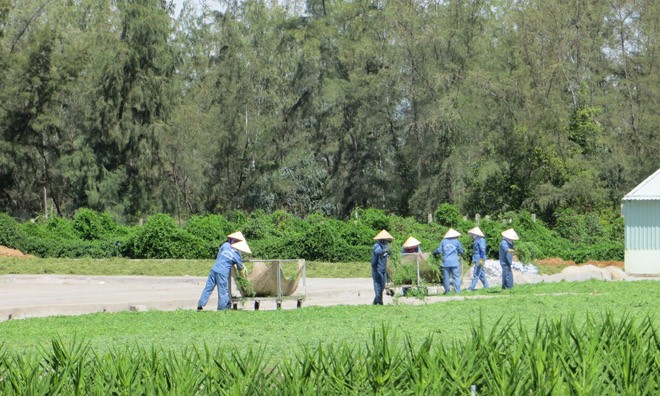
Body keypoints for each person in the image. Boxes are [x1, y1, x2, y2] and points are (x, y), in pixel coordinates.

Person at [197, 232, 251, 311]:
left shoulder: (225, 245)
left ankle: (200, 305)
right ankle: (222, 309)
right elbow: (240, 268)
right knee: (223, 291)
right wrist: (244, 278)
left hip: (214, 269)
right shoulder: (236, 255)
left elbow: (219, 256)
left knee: (208, 288)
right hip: (222, 272)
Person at [433, 228, 464, 294]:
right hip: (454, 262)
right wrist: (462, 252)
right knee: (456, 277)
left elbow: (439, 250)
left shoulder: (443, 241)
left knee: (446, 277)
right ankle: (457, 291)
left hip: (445, 262)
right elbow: (461, 250)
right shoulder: (456, 241)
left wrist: (434, 252)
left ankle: (447, 291)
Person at [371, 229, 394, 305]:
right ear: (382, 240)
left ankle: (375, 302)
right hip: (376, 269)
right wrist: (386, 250)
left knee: (382, 285)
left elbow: (387, 254)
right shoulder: (376, 246)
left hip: (383, 269)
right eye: (386, 240)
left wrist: (390, 252)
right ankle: (380, 302)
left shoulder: (385, 246)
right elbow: (379, 252)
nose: (387, 242)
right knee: (378, 285)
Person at [467, 227, 489, 291]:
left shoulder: (481, 240)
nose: (472, 235)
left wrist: (481, 259)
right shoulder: (476, 240)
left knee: (476, 273)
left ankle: (471, 288)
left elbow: (482, 250)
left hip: (480, 259)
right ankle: (487, 287)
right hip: (476, 258)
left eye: (473, 234)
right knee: (481, 274)